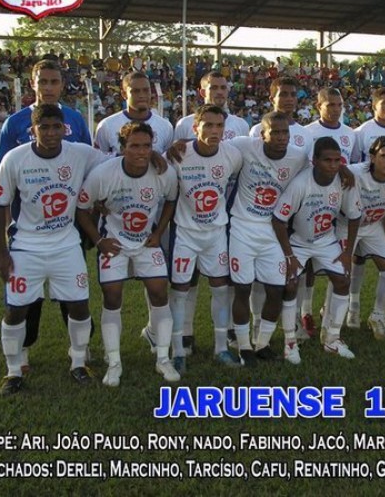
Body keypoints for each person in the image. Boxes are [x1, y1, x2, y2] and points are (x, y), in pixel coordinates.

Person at [0, 104, 106, 396]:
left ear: (65, 129)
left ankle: (78, 362)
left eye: (57, 127)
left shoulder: (80, 153)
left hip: (66, 244)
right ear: (33, 130)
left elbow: (114, 163)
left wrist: (156, 156)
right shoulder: (15, 158)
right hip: (25, 247)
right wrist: (1, 253)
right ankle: (13, 371)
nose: (52, 133)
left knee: (79, 305)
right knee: (16, 310)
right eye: (44, 127)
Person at [0, 59, 93, 374]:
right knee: (27, 299)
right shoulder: (14, 124)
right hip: (27, 230)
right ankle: (23, 350)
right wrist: (8, 232)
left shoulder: (75, 119)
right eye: (43, 82)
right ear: (33, 84)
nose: (49, 87)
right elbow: (5, 182)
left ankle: (79, 350)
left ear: (62, 85)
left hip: (69, 226)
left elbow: (91, 168)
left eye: (54, 81)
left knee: (74, 294)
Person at [76, 122, 179, 387]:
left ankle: (163, 358)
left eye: (147, 146)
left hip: (146, 242)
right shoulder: (103, 174)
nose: (141, 152)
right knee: (112, 296)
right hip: (114, 243)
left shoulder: (163, 172)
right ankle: (114, 362)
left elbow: (171, 200)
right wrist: (99, 241)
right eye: (134, 146)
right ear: (122, 148)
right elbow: (82, 208)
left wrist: (159, 232)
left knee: (159, 291)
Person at [171, 71, 249, 355]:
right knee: (182, 286)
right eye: (208, 126)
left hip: (218, 228)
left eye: (219, 126)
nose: (215, 131)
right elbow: (168, 180)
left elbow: (237, 179)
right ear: (195, 127)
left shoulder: (234, 150)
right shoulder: (179, 148)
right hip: (185, 229)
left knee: (221, 285)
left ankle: (221, 344)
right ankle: (181, 341)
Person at [227, 112, 309, 366]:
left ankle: (262, 344)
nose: (282, 137)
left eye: (286, 132)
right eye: (275, 132)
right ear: (262, 135)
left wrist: (345, 172)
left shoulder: (298, 157)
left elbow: (318, 172)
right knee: (242, 289)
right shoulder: (243, 145)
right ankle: (244, 348)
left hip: (273, 231)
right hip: (242, 228)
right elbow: (211, 145)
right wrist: (181, 146)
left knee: (277, 289)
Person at [272, 137, 362, 363]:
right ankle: (290, 342)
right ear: (314, 161)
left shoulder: (345, 182)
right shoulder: (300, 184)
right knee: (290, 284)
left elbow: (354, 217)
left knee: (343, 280)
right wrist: (289, 256)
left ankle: (332, 338)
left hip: (325, 240)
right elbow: (279, 220)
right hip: (298, 242)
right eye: (327, 160)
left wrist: (347, 252)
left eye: (337, 161)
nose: (333, 165)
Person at [299, 87, 356, 332]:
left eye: (339, 104)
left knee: (337, 261)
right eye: (330, 104)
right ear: (318, 106)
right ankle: (305, 311)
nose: (335, 109)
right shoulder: (307, 132)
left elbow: (352, 166)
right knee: (308, 263)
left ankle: (328, 310)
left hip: (338, 204)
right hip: (311, 202)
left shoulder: (350, 134)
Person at [340, 136, 385, 340]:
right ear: (372, 157)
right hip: (345, 226)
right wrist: (342, 169)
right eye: (384, 156)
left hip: (373, 225)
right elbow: (329, 168)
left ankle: (378, 315)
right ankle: (339, 312)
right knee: (340, 273)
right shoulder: (355, 172)